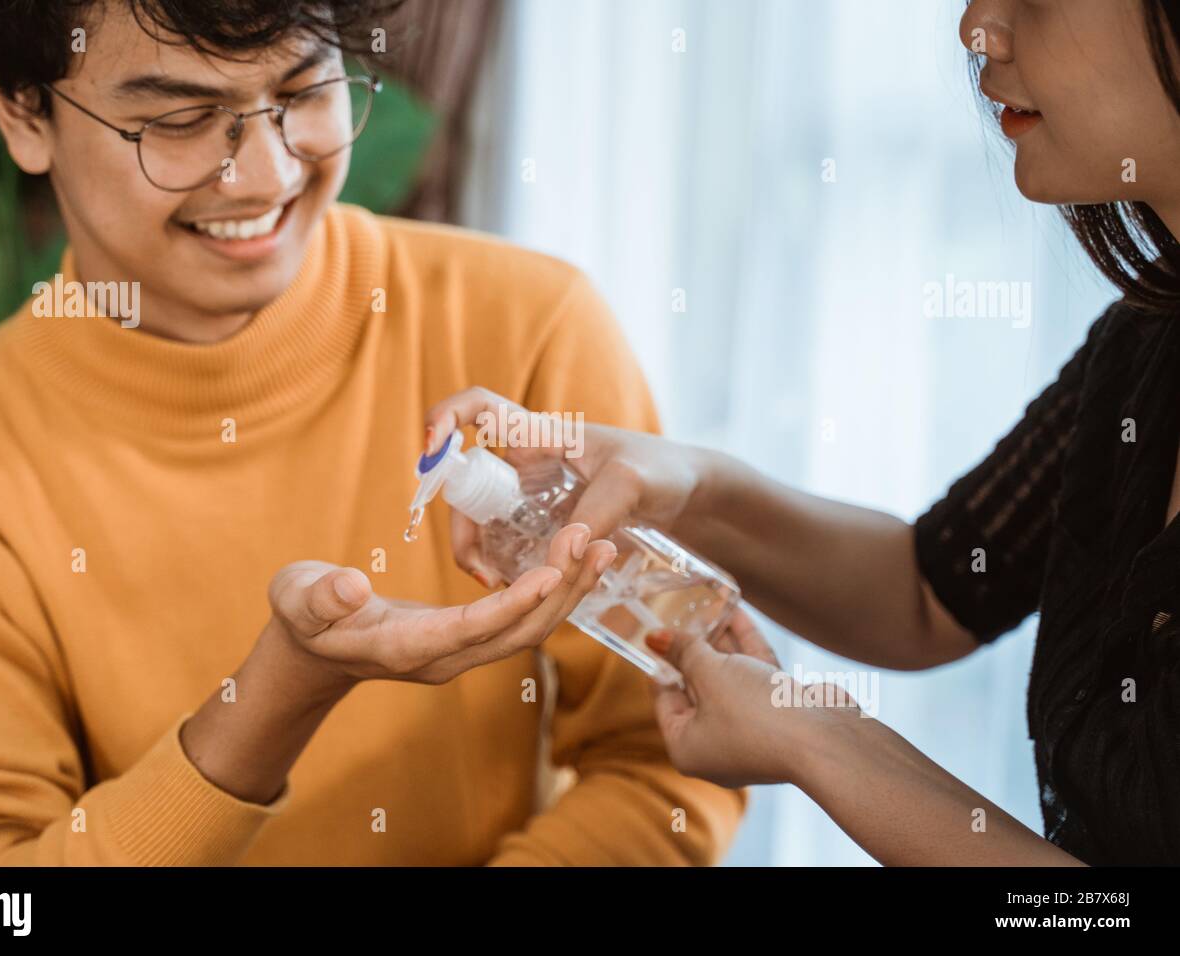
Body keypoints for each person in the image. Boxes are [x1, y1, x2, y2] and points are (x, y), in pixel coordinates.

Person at [0, 0, 745, 866]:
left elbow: (670, 757)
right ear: (21, 111)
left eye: (304, 91)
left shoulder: (527, 327)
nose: (264, 174)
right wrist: (271, 704)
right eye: (181, 120)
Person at [425, 0, 1180, 866]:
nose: (976, 29)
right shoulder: (1150, 336)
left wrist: (818, 741)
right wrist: (685, 487)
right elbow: (928, 592)